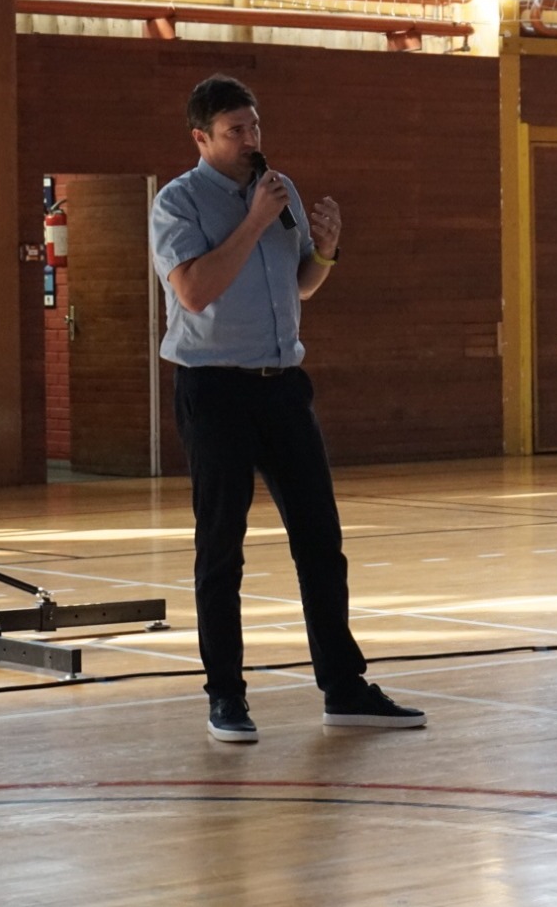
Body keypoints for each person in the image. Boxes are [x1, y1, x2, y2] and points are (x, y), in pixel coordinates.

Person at [148, 74, 425, 743]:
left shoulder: (281, 190)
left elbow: (302, 282)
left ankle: (343, 687)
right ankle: (226, 695)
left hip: (282, 386)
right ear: (201, 138)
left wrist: (326, 248)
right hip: (214, 388)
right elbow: (194, 291)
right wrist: (252, 222)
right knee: (222, 547)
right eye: (235, 131)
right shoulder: (177, 202)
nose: (251, 140)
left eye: (255, 126)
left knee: (320, 540)